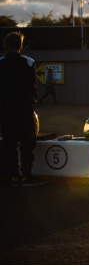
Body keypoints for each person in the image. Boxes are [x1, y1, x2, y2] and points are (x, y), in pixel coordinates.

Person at [0, 32, 43, 186]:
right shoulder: (29, 62)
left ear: (5, 46)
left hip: (6, 109)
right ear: (21, 46)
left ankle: (12, 176)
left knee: (9, 144)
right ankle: (27, 175)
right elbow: (33, 86)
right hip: (25, 107)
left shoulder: (1, 62)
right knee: (27, 143)